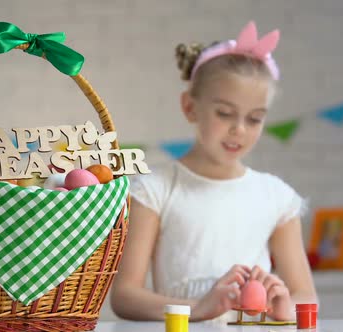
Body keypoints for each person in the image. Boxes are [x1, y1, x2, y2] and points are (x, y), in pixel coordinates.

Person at [110, 21, 317, 323]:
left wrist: (282, 305)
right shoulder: (155, 190)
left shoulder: (276, 198)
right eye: (224, 113)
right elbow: (125, 296)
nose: (239, 129)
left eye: (255, 118)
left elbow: (306, 297)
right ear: (190, 107)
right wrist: (198, 309)